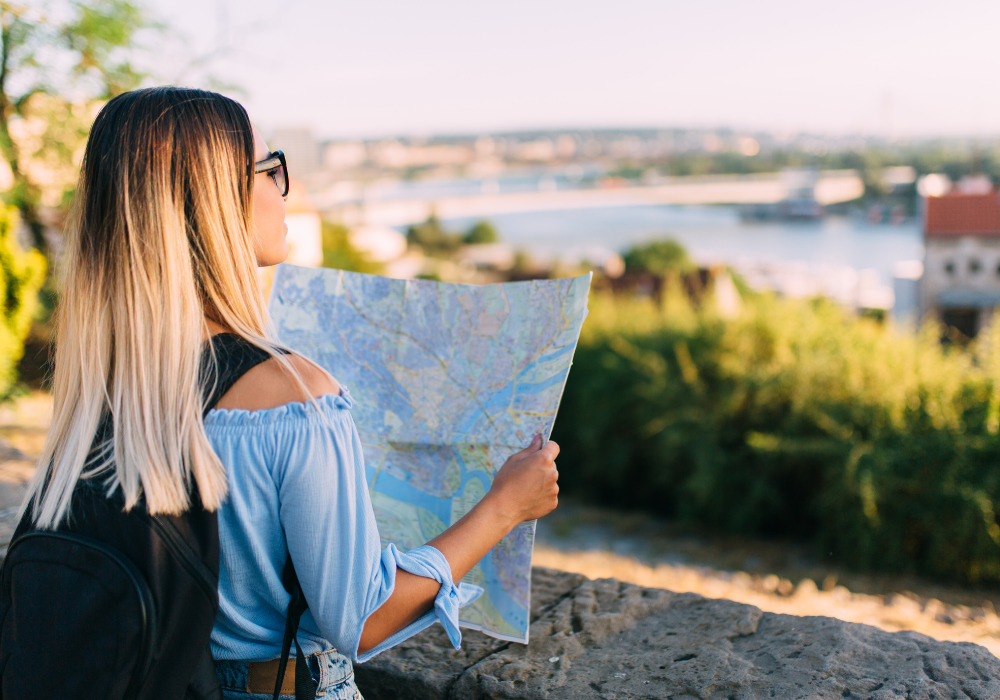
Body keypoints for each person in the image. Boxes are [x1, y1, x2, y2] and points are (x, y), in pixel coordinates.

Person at [22, 87, 560, 699]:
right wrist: (506, 506)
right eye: (268, 168)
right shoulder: (291, 396)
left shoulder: (105, 383)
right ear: (216, 201)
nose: (282, 189)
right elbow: (361, 620)